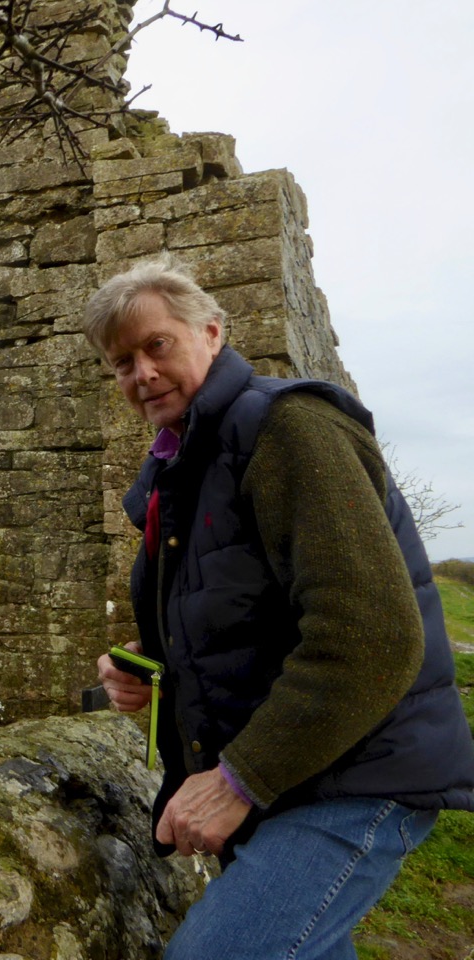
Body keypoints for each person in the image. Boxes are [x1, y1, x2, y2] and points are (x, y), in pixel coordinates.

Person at [83, 256, 474, 959]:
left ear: (211, 331)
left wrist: (238, 780)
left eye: (157, 345)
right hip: (293, 775)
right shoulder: (181, 471)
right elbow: (233, 623)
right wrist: (144, 667)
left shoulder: (286, 429)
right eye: (120, 363)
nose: (140, 373)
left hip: (354, 771)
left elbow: (374, 637)